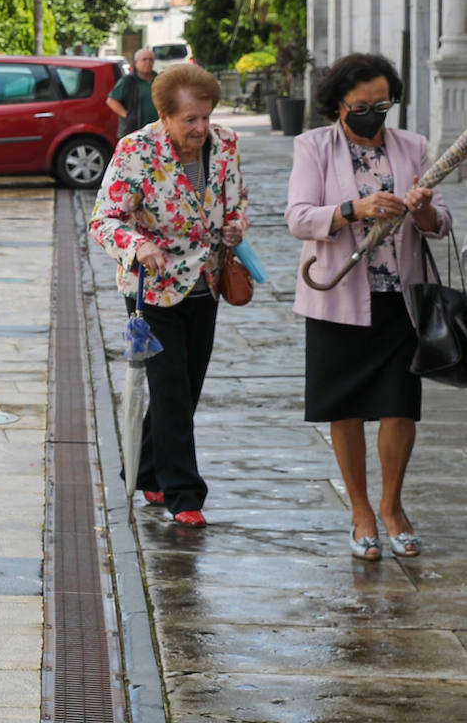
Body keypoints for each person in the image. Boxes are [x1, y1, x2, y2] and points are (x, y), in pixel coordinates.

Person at [285, 53, 452, 561]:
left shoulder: (412, 146)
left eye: (383, 104)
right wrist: (353, 209)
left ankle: (393, 505)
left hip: (400, 298)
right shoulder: (313, 146)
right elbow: (298, 217)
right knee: (347, 407)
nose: (374, 114)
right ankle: (360, 511)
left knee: (400, 405)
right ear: (339, 104)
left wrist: (422, 209)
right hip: (337, 298)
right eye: (362, 105)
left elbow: (440, 223)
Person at [89, 63, 248, 529]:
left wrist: (237, 224)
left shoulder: (226, 145)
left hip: (207, 283)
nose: (201, 128)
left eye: (206, 116)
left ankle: (145, 471)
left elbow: (236, 202)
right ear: (163, 115)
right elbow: (104, 220)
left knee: (187, 387)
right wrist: (138, 245)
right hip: (152, 291)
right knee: (172, 390)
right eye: (190, 120)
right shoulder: (136, 150)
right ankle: (184, 494)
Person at [106, 47, 158, 139]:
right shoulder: (128, 81)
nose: (148, 62)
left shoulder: (159, 80)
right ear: (136, 62)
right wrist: (127, 116)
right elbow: (111, 100)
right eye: (144, 60)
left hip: (156, 131)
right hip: (134, 131)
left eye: (151, 60)